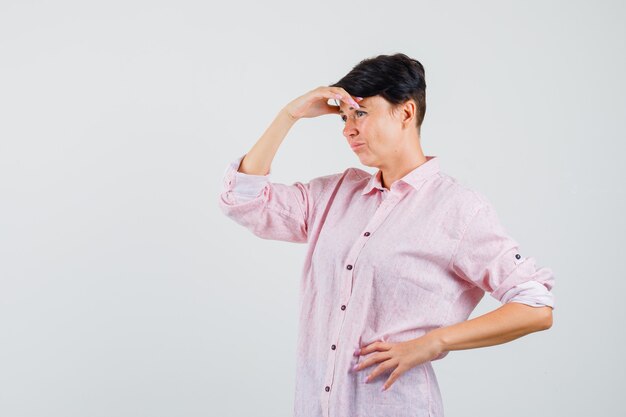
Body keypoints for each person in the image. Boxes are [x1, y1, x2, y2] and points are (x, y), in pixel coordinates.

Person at [217, 53, 555, 417]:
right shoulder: (334, 195)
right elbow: (243, 200)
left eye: (360, 113)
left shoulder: (458, 209)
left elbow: (535, 306)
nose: (348, 128)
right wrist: (289, 115)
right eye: (345, 117)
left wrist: (433, 342)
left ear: (406, 113)